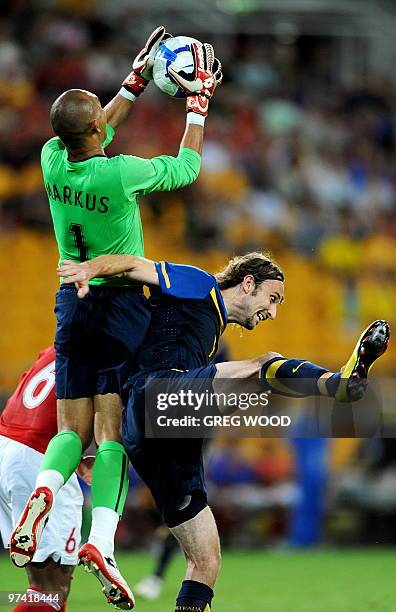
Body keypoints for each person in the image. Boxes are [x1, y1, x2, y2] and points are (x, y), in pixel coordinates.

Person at [10, 28, 222, 611]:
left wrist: (132, 82)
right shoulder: (120, 172)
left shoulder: (53, 157)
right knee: (108, 436)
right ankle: (101, 541)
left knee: (67, 432)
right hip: (121, 301)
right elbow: (185, 169)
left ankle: (43, 495)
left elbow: (94, 125)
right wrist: (196, 104)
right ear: (99, 133)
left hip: (69, 300)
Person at [57, 252, 390, 611]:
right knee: (263, 366)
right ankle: (339, 384)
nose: (272, 312)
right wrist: (88, 269)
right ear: (248, 283)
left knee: (206, 558)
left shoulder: (211, 328)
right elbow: (135, 265)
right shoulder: (199, 283)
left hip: (161, 433)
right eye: (272, 299)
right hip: (156, 394)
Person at [0, 347, 85, 612]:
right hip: (40, 456)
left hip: (8, 443)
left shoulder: (57, 347)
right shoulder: (111, 348)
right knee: (52, 587)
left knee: (43, 583)